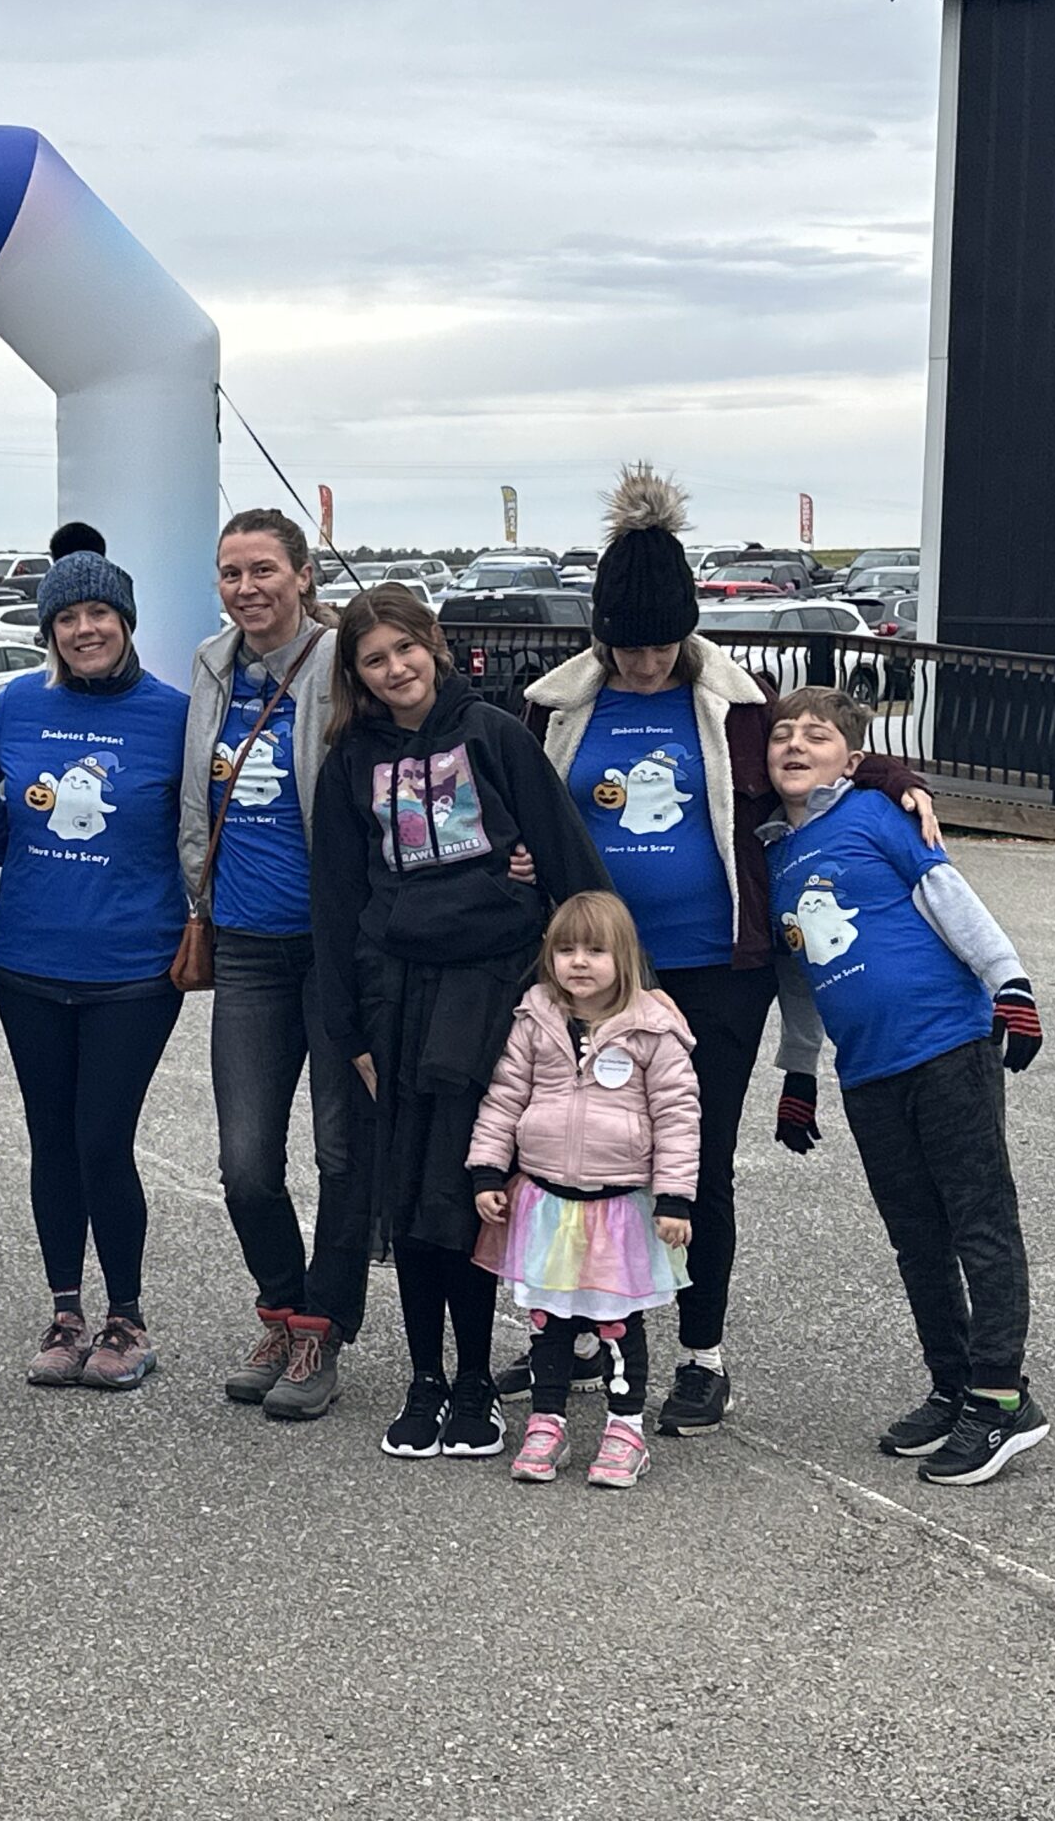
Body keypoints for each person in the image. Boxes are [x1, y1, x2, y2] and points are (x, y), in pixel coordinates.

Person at [516, 463, 937, 1434]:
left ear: (689, 629)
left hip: (716, 969)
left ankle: (701, 1357)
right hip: (593, 974)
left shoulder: (740, 706)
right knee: (585, 1154)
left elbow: (824, 751)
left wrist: (893, 774)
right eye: (626, 645)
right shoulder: (556, 707)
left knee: (693, 1162)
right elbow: (510, 793)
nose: (644, 663)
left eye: (661, 644)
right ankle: (589, 1335)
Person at [311, 585, 612, 1461]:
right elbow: (336, 899)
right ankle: (425, 1378)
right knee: (407, 1197)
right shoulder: (350, 760)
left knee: (467, 1189)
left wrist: (613, 998)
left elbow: (569, 861)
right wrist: (348, 1031)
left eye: (405, 649)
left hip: (486, 997)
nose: (394, 669)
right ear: (356, 674)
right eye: (374, 659)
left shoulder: (495, 736)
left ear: (433, 645)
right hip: (394, 997)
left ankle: (477, 1378)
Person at [761, 685, 1050, 1487]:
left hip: (946, 1044)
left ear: (851, 760)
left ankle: (1001, 1396)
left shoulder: (877, 813)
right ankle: (953, 1384)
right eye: (782, 734)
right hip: (868, 1070)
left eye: (815, 735)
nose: (794, 745)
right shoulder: (773, 857)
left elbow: (946, 893)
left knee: (980, 1222)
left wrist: (1009, 981)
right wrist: (799, 1073)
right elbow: (797, 975)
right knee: (916, 1237)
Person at [0, 551, 189, 1390]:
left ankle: (126, 1319)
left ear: (126, 622)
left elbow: (204, 824)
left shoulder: (173, 715)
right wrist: (13, 845)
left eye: (100, 614)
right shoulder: (17, 706)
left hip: (134, 968)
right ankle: (66, 1312)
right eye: (67, 618)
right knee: (52, 1139)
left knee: (102, 1137)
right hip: (27, 960)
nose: (85, 629)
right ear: (49, 631)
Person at [174, 509, 367, 1420]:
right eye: (231, 572)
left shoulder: (342, 661)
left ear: (303, 574)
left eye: (263, 570)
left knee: (340, 1152)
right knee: (245, 1162)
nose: (247, 588)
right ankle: (282, 1310)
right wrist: (197, 893)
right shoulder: (213, 665)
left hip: (335, 947)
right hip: (247, 945)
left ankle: (322, 1327)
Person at [467, 892, 697, 1487]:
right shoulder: (535, 1020)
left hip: (618, 1206)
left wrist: (674, 1198)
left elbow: (677, 1116)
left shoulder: (653, 1030)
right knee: (550, 1321)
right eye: (565, 950)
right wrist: (488, 1169)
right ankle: (548, 1421)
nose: (579, 962)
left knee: (617, 1323)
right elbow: (504, 1098)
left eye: (595, 950)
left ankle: (626, 1428)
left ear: (625, 957)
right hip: (546, 1202)